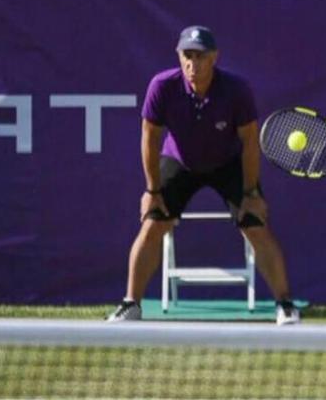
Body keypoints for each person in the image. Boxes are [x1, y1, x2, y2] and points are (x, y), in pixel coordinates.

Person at [106, 25, 300, 326]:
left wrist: (250, 195)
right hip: (180, 161)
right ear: (179, 56)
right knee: (153, 224)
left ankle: (285, 306)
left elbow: (250, 142)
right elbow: (150, 139)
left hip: (228, 163)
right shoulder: (162, 86)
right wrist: (152, 191)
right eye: (187, 55)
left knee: (256, 226)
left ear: (214, 58)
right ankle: (130, 304)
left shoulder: (236, 90)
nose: (192, 64)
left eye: (200, 57)